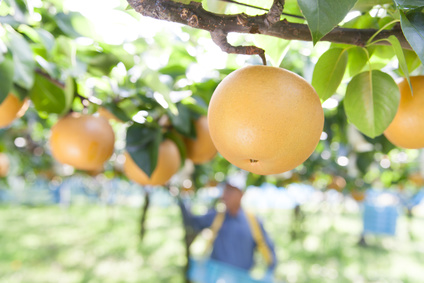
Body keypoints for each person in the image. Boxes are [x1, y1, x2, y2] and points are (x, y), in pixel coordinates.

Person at [179, 172, 277, 281]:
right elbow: (192, 222)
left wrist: (269, 273)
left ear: (241, 194)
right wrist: (182, 196)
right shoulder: (217, 217)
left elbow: (269, 250)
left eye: (230, 191)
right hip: (217, 277)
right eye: (225, 191)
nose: (224, 195)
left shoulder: (253, 222)